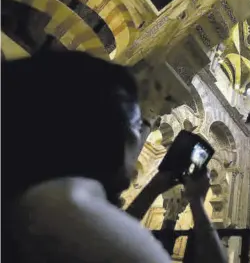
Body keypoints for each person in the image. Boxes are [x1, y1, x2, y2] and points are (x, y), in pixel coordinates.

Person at [2, 51, 227, 263]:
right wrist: (197, 203)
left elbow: (106, 231)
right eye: (138, 124)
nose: (140, 135)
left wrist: (151, 190)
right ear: (110, 132)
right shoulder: (66, 216)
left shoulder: (31, 202)